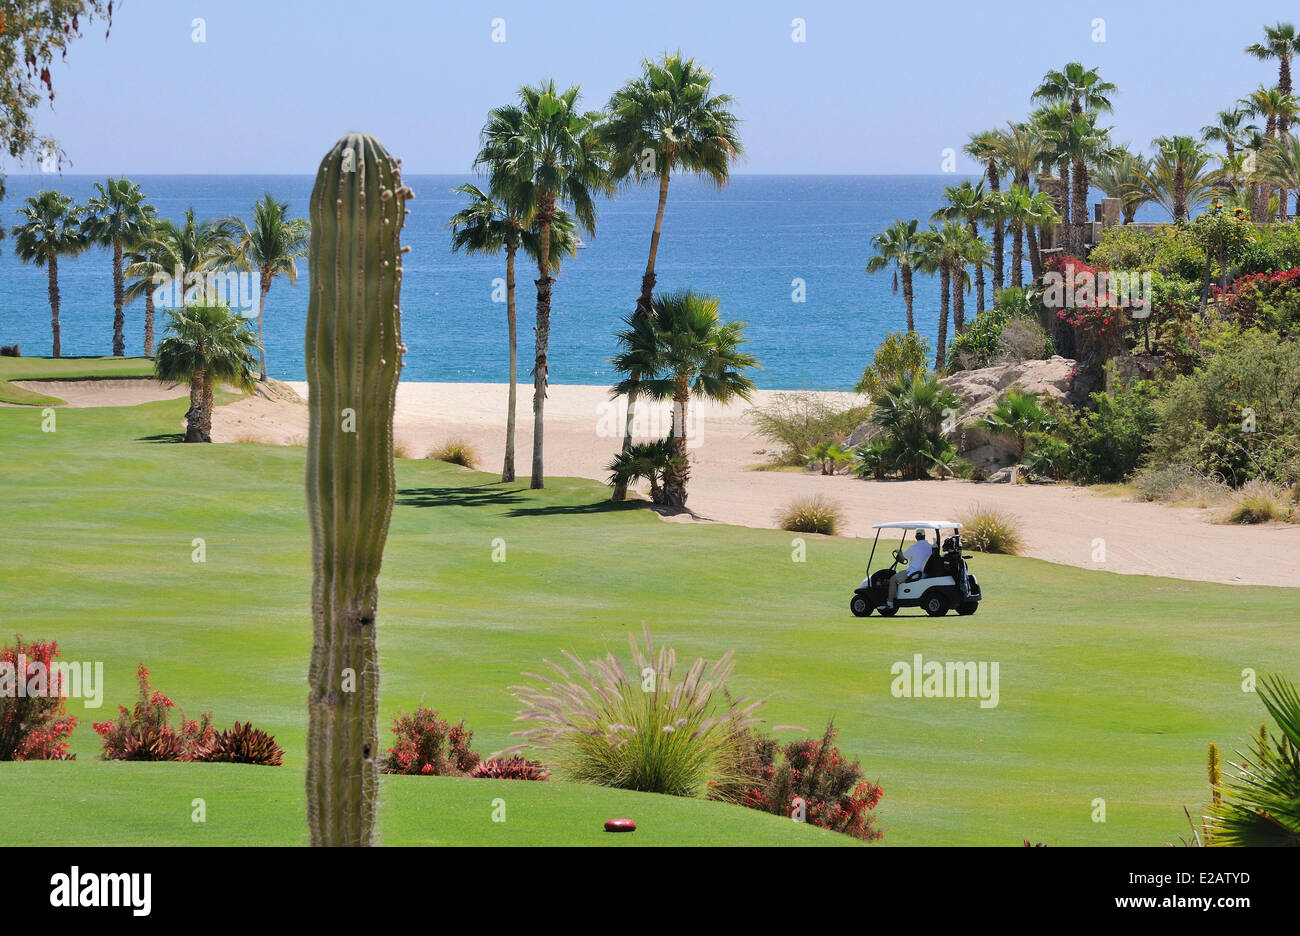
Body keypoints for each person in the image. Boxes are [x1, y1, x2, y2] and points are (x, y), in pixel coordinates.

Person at [884, 529, 933, 609]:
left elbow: (903, 558)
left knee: (893, 579)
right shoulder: (930, 547)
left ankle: (890, 603)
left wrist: (899, 553)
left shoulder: (914, 547)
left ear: (916, 537)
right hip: (924, 573)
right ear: (924, 536)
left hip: (913, 573)